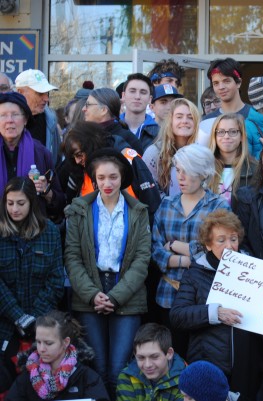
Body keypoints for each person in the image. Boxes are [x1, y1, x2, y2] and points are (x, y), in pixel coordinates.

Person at [64, 148, 151, 397]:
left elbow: (142, 259)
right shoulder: (78, 209)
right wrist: (93, 295)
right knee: (97, 368)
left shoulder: (138, 211)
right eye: (101, 178)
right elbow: (72, 256)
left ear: (122, 177)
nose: (107, 183)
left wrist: (115, 296)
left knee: (119, 369)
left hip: (126, 293)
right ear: (93, 178)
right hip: (88, 291)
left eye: (113, 177)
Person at [170, 209, 263, 400]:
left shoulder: (254, 271)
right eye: (221, 240)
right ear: (208, 244)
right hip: (208, 366)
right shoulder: (195, 274)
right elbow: (178, 315)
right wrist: (216, 313)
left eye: (233, 239)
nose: (229, 246)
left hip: (246, 367)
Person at [151, 144, 229, 356]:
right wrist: (184, 259)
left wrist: (176, 247)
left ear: (203, 173)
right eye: (178, 170)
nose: (181, 177)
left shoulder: (218, 206)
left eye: (188, 170)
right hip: (168, 294)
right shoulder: (166, 204)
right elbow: (155, 247)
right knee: (171, 355)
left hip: (203, 296)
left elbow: (218, 248)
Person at [0, 177, 63, 386]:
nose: (14, 209)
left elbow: (55, 280)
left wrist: (33, 319)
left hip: (42, 325)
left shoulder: (50, 232)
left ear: (31, 203)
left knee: (40, 384)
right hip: (5, 324)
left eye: (20, 203)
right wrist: (18, 317)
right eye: (10, 203)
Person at [6, 311, 109, 401]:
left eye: (49, 343)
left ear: (65, 342)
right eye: (38, 342)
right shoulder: (27, 377)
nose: (41, 349)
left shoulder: (86, 377)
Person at [0, 92, 65, 221]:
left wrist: (46, 191)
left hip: (33, 232)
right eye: (3, 115)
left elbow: (60, 202)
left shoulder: (40, 152)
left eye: (15, 114)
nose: (9, 120)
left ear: (25, 120)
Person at [143, 98, 201, 197]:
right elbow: (150, 191)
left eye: (190, 117)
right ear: (170, 121)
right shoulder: (154, 153)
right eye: (179, 117)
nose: (185, 121)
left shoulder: (202, 152)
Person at [116, 323, 186, 401]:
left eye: (154, 357)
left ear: (169, 353)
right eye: (141, 357)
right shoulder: (126, 377)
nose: (147, 365)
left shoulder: (186, 379)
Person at [207, 113, 257, 205]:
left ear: (242, 136)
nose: (226, 136)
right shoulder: (205, 169)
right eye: (221, 132)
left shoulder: (255, 169)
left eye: (233, 132)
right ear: (215, 136)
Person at [14, 69, 62, 166]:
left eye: (47, 93)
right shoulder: (4, 121)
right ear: (20, 92)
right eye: (40, 93)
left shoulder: (50, 121)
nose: (46, 99)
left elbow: (57, 161)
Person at [83, 87, 144, 154]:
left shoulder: (129, 140)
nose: (83, 109)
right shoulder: (84, 136)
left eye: (88, 105)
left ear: (103, 110)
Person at [120, 73, 159, 152]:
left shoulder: (159, 134)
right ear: (123, 96)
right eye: (132, 91)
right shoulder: (110, 130)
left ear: (150, 99)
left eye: (143, 92)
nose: (137, 97)